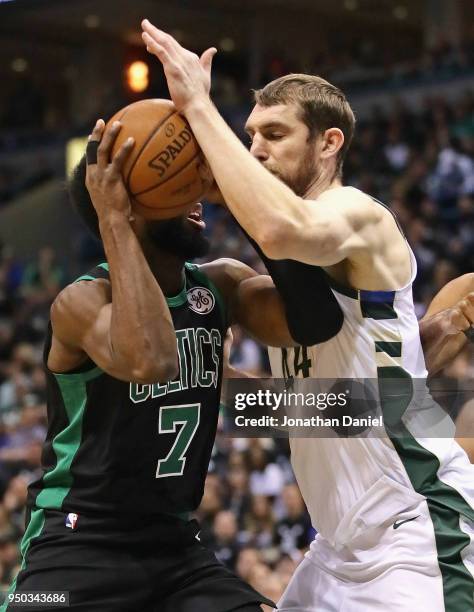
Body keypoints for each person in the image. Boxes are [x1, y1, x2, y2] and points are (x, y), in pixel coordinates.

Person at [141, 20, 474, 611]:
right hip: (337, 547)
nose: (256, 148)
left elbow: (280, 226)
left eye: (274, 133)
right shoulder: (287, 271)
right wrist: (218, 383)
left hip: (417, 534)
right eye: (250, 135)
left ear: (329, 144)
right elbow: (324, 406)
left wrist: (196, 104)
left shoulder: (354, 213)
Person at [1, 118, 316, 612]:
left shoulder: (220, 286)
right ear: (131, 203)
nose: (196, 192)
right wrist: (114, 221)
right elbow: (150, 359)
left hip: (175, 549)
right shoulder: (81, 302)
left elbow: (310, 320)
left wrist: (394, 408)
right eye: (180, 184)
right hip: (75, 547)